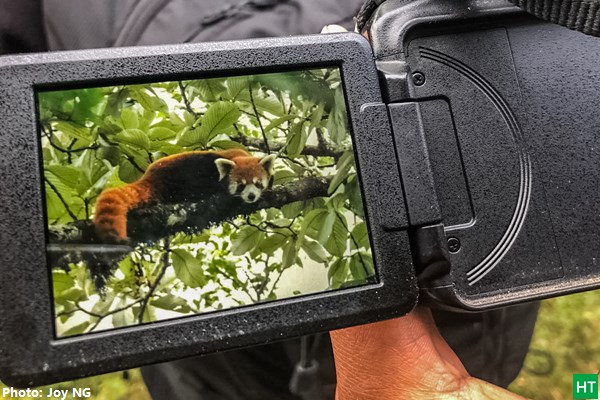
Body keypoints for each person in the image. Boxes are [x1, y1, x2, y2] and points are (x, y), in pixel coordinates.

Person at [0, 1, 539, 399]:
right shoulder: (210, 170)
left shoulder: (249, 171)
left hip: (444, 237)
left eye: (256, 191)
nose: (255, 195)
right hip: (208, 326)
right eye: (250, 192)